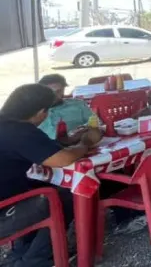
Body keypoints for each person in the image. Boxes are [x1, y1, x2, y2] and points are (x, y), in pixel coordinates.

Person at [0, 84, 102, 267]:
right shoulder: (20, 131)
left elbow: (32, 149)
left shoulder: (7, 125)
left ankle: (21, 254)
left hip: (9, 198)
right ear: (41, 112)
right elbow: (63, 159)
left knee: (39, 190)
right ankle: (36, 261)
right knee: (67, 196)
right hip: (4, 214)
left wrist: (67, 141)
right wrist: (85, 143)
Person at [37, 74, 95, 143]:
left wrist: (82, 129)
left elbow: (96, 123)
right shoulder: (33, 112)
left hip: (79, 144)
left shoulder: (78, 104)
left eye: (58, 91)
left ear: (64, 90)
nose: (54, 95)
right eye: (50, 92)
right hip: (45, 149)